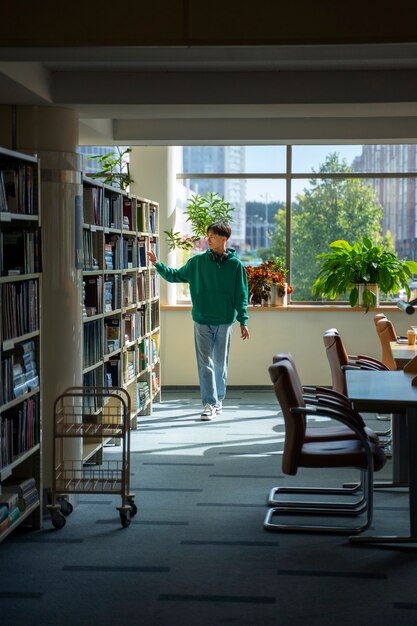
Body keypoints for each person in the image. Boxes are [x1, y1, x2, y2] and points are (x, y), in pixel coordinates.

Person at [147, 221, 249, 420]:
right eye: (207, 235)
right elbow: (175, 276)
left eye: (212, 236)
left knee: (220, 363)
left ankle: (218, 399)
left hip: (224, 321)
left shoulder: (235, 266)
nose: (208, 239)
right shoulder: (197, 263)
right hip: (202, 319)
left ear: (224, 239)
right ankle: (209, 403)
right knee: (205, 363)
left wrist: (243, 320)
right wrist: (157, 264)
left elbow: (241, 295)